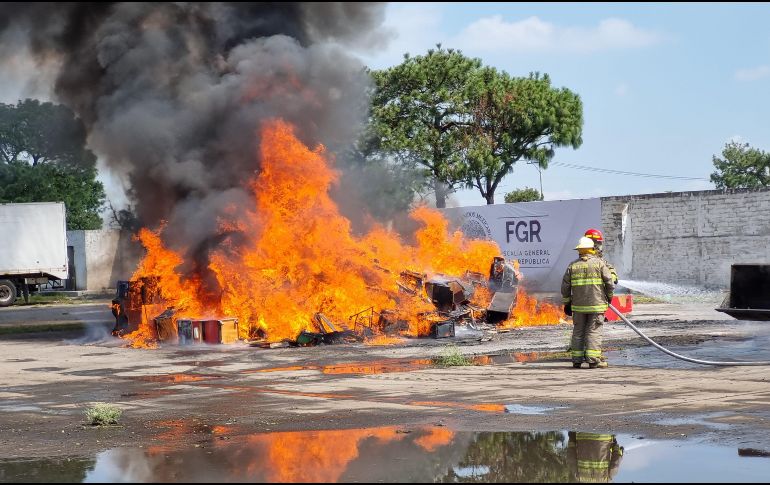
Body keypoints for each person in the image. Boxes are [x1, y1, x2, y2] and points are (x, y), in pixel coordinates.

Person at [561, 236, 615, 369]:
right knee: (594, 332)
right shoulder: (599, 264)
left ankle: (577, 360)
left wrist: (567, 303)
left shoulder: (573, 265)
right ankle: (593, 361)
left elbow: (565, 287)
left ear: (579, 250)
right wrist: (609, 297)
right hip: (596, 305)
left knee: (578, 332)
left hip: (578, 307)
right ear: (592, 249)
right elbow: (609, 283)